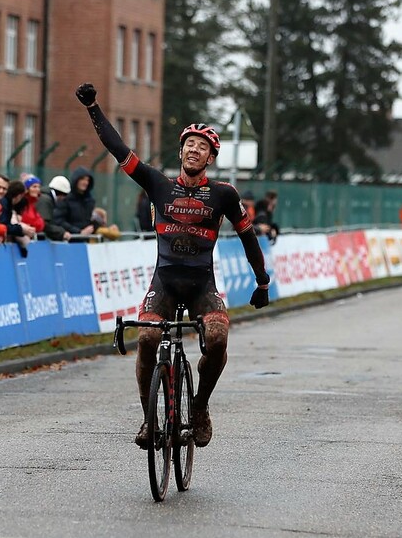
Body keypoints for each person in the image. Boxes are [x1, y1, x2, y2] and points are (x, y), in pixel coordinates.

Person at [76, 81, 271, 449]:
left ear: (210, 158)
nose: (194, 150)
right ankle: (150, 420)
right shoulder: (157, 183)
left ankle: (199, 407)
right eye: (189, 145)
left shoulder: (224, 194)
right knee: (147, 338)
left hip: (202, 286)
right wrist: (93, 108)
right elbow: (118, 148)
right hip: (164, 282)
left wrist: (262, 282)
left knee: (217, 339)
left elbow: (248, 236)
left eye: (203, 148)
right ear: (180, 151)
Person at [52, 167, 98, 237]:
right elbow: (59, 220)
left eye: (87, 180)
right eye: (82, 179)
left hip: (86, 240)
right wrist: (79, 232)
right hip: (70, 240)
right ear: (76, 180)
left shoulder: (90, 201)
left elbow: (91, 220)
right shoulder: (66, 199)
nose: (85, 182)